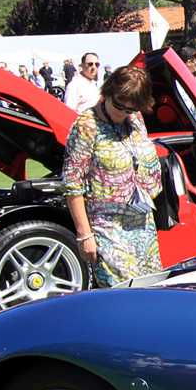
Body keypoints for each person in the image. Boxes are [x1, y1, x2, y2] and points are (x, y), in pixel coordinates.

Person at [63, 66, 163, 288]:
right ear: (108, 92)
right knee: (123, 295)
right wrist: (84, 235)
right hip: (107, 228)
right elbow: (72, 184)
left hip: (142, 224)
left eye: (131, 107)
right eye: (118, 104)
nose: (123, 111)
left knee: (150, 293)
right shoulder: (86, 126)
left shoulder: (135, 120)